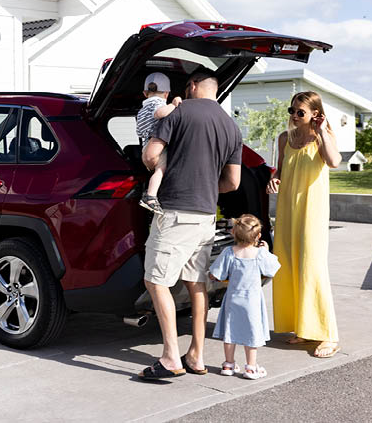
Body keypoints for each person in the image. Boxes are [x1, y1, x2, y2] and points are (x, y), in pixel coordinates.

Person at [137, 69, 242, 380]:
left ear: (193, 86)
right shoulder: (231, 126)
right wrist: (205, 186)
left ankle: (171, 357)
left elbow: (151, 155)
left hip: (175, 213)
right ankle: (196, 355)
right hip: (206, 216)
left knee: (156, 282)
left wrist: (154, 165)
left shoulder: (179, 113)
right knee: (196, 284)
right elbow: (233, 182)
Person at [267, 91, 342, 358]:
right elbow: (281, 169)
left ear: (315, 114)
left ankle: (329, 335)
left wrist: (321, 132)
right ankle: (304, 328)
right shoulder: (284, 138)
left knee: (312, 266)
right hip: (288, 208)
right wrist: (275, 178)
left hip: (312, 210)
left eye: (301, 112)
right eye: (292, 111)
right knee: (289, 264)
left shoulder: (323, 137)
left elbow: (334, 162)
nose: (295, 116)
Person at [209, 214, 281, 380]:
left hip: (233, 299)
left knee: (230, 331)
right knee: (251, 333)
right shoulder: (260, 254)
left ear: (233, 232)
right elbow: (272, 269)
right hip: (252, 301)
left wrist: (210, 275)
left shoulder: (229, 252)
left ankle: (228, 364)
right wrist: (265, 250)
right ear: (258, 235)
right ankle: (251, 368)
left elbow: (216, 274)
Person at [135, 72, 183, 214]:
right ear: (166, 94)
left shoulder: (142, 110)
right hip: (156, 146)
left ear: (145, 93)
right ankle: (150, 197)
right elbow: (159, 113)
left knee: (158, 171)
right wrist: (173, 105)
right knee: (161, 170)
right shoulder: (158, 104)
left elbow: (140, 131)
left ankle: (151, 194)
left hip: (146, 146)